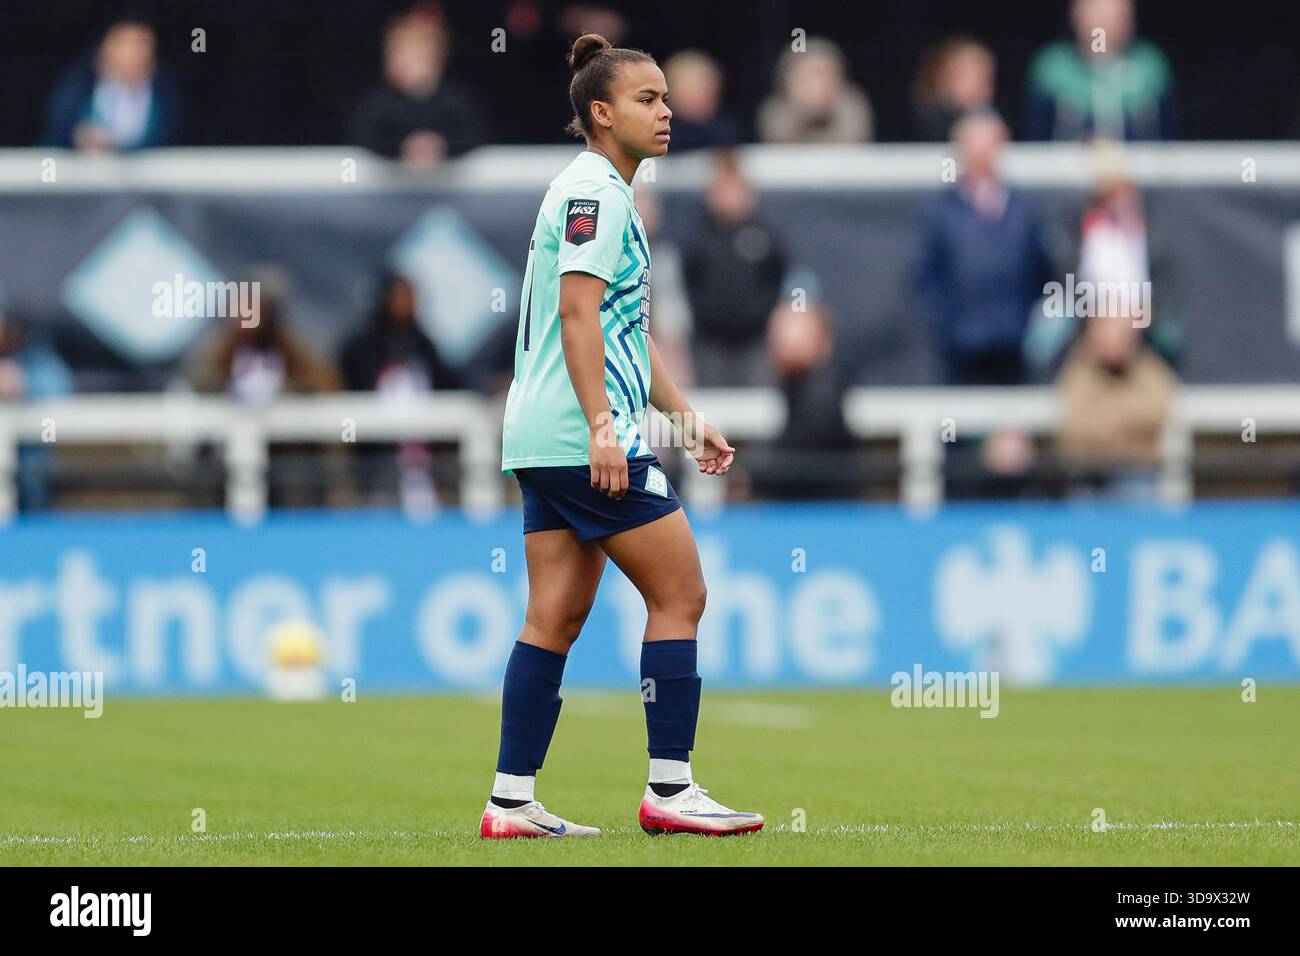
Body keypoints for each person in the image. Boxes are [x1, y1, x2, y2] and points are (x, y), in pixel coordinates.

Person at [484, 33, 763, 839]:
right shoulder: (596, 193)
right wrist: (608, 426)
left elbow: (625, 334)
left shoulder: (606, 191)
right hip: (583, 436)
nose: (667, 110)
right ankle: (671, 791)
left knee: (555, 617)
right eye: (648, 99)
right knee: (682, 594)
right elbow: (577, 315)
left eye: (668, 96)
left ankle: (510, 800)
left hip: (548, 437)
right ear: (601, 114)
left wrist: (683, 417)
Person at [349, 8, 489, 165]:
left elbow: (477, 135)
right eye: (392, 52)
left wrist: (442, 147)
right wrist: (402, 148)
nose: (396, 60)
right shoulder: (376, 103)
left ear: (434, 57)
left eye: (407, 53)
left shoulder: (458, 100)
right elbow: (361, 138)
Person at [1025, 0, 1176, 141]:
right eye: (1098, 9)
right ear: (1076, 13)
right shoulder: (1052, 68)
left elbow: (1169, 134)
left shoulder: (1150, 67)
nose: (1107, 18)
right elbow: (1036, 135)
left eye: (1116, 10)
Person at [42, 19, 181, 151]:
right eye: (123, 44)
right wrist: (80, 136)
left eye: (140, 44)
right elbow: (58, 129)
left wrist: (118, 147)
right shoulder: (76, 88)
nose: (132, 54)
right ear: (104, 50)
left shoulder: (166, 94)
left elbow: (169, 138)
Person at [757, 37, 873, 144]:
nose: (822, 83)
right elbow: (778, 138)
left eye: (829, 74)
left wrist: (828, 108)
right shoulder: (775, 109)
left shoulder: (852, 105)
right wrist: (803, 108)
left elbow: (853, 140)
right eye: (815, 74)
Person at [910, 38, 997, 142]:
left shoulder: (990, 116)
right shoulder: (922, 119)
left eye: (986, 81)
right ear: (944, 78)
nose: (979, 89)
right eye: (969, 78)